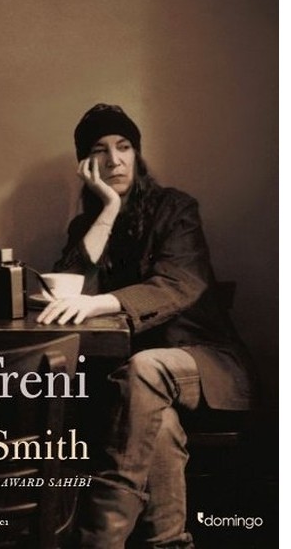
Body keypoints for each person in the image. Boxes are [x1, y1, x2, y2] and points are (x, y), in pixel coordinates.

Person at [37, 103, 255, 548]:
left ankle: (99, 539)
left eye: (124, 147)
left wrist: (99, 304)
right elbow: (68, 287)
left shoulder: (176, 209)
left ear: (137, 154)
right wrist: (108, 209)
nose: (114, 160)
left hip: (205, 365)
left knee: (146, 369)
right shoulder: (87, 225)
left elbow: (178, 284)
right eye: (100, 150)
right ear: (86, 166)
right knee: (160, 424)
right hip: (139, 389)